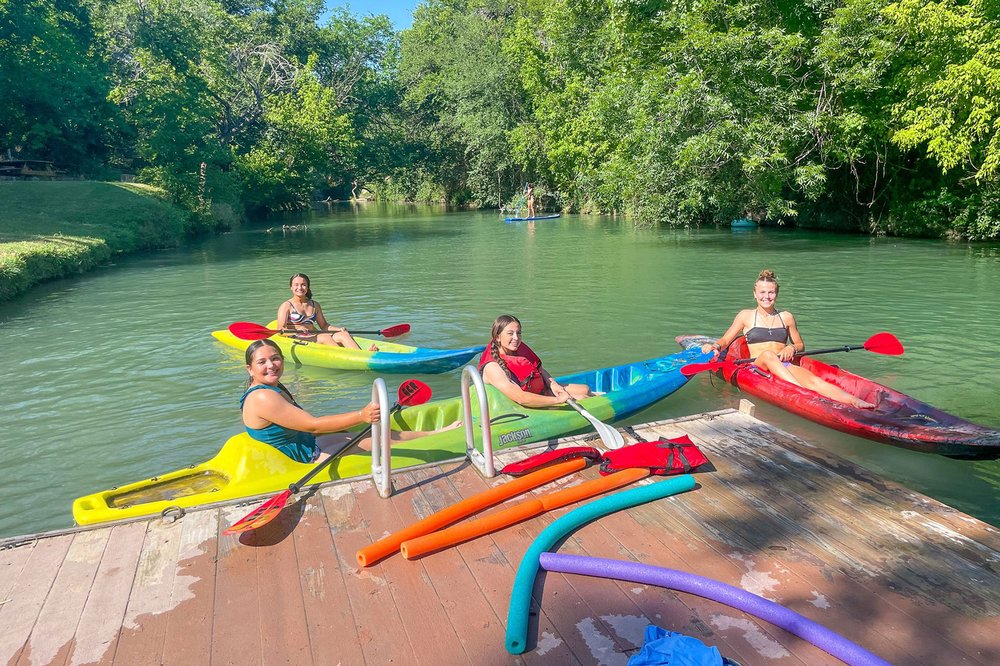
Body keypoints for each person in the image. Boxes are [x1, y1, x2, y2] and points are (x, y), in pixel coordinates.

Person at [241, 339, 453, 463]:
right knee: (378, 441)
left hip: (306, 443)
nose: (271, 365)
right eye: (262, 362)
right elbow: (312, 425)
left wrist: (345, 427)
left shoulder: (273, 386)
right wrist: (361, 416)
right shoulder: (262, 396)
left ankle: (434, 434)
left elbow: (308, 427)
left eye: (275, 358)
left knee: (376, 433)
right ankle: (440, 440)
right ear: (250, 369)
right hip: (304, 458)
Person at [702, 269, 875, 408]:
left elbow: (800, 344)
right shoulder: (745, 316)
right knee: (768, 355)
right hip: (758, 367)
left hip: (784, 365)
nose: (766, 296)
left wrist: (791, 348)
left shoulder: (787, 317)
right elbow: (726, 340)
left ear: (776, 294)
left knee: (814, 381)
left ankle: (854, 401)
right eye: (762, 292)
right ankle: (802, 393)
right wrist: (715, 346)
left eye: (771, 292)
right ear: (754, 293)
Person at [479, 314, 592, 408]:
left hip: (538, 390)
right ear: (497, 337)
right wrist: (558, 400)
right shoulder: (492, 368)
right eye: (510, 333)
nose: (516, 338)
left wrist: (553, 384)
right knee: (583, 398)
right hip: (524, 406)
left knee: (585, 389)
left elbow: (537, 369)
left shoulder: (514, 349)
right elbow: (521, 398)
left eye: (518, 333)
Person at [277, 273, 376, 351]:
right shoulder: (286, 306)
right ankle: (346, 357)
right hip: (297, 338)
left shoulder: (315, 305)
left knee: (343, 335)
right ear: (291, 287)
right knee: (324, 337)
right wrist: (297, 330)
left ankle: (361, 355)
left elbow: (324, 326)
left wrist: (339, 329)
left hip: (312, 336)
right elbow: (280, 330)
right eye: (296, 285)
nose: (300, 288)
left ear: (307, 287)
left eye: (303, 285)